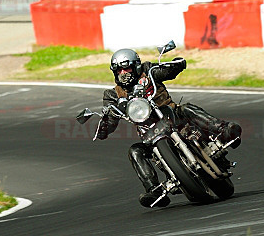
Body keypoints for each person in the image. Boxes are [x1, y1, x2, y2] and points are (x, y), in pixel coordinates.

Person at [99, 49, 242, 208]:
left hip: (172, 116)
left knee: (187, 108)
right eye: (119, 70)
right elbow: (109, 122)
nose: (123, 73)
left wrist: (175, 64)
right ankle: (154, 189)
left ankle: (223, 130)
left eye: (127, 68)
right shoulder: (112, 95)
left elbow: (167, 71)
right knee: (135, 151)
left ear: (136, 66)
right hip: (148, 133)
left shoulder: (148, 71)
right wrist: (105, 121)